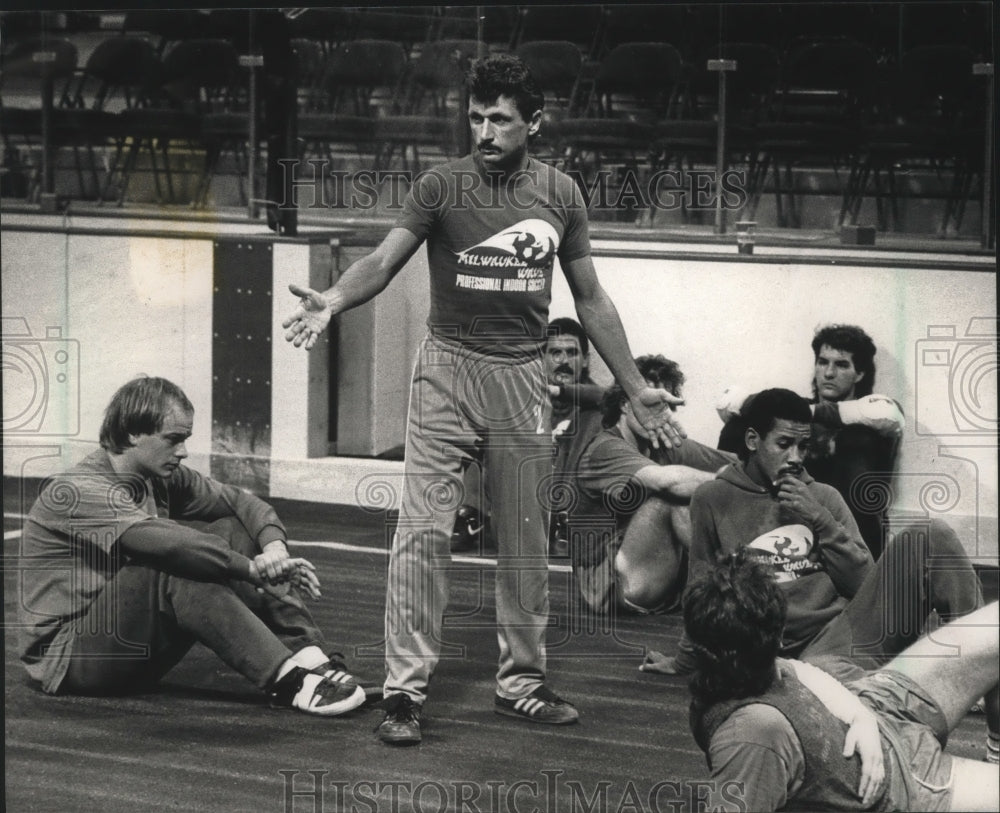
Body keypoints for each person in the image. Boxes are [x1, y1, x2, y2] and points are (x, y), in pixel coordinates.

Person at [282, 54, 683, 745]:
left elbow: (590, 299)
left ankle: (521, 682)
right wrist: (334, 300)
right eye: (475, 116)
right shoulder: (441, 186)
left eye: (499, 118)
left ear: (534, 122)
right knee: (423, 533)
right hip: (447, 370)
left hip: (522, 376)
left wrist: (635, 386)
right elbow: (381, 262)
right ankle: (404, 692)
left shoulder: (560, 193)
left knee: (525, 540)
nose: (485, 130)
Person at [646, 388, 999, 759]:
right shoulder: (713, 498)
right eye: (784, 444)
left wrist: (819, 520)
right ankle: (896, 702)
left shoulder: (824, 496)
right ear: (753, 440)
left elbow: (866, 585)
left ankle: (984, 692)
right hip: (788, 659)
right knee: (841, 696)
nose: (796, 458)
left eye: (804, 446)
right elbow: (700, 585)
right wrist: (685, 660)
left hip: (846, 633)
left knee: (931, 535)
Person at [18, 376, 367, 716]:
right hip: (73, 660)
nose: (183, 452)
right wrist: (250, 570)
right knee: (173, 566)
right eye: (173, 439)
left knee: (232, 528)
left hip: (129, 647)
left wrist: (274, 551)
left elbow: (243, 505)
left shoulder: (161, 476)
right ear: (133, 432)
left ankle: (310, 657)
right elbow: (167, 546)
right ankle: (287, 682)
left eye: (184, 439)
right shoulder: (78, 490)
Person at [684, 548, 1000, 811]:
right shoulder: (752, 735)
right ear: (782, 635)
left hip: (877, 705)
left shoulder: (744, 662)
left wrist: (861, 718)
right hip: (903, 782)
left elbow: (800, 670)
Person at [717, 324, 903, 558]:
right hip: (783, 515)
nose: (828, 373)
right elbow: (727, 403)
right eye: (823, 362)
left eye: (841, 364)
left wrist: (801, 411)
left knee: (856, 439)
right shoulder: (796, 415)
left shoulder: (873, 415)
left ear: (860, 373)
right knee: (740, 428)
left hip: (845, 530)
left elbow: (889, 415)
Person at [571, 355, 735, 615]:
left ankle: (746, 582)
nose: (661, 413)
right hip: (607, 586)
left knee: (716, 488)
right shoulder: (605, 448)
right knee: (672, 497)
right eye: (653, 403)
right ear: (626, 404)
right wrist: (728, 480)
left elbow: (736, 463)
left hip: (649, 576)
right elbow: (668, 482)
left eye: (665, 405)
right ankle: (737, 589)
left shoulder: (661, 442)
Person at [546, 316, 606, 557]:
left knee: (597, 415)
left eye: (571, 353)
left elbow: (609, 396)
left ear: (585, 361)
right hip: (527, 505)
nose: (563, 361)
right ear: (542, 359)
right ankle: (470, 517)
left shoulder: (597, 406)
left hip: (573, 510)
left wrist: (561, 391)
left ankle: (566, 518)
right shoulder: (528, 399)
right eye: (555, 353)